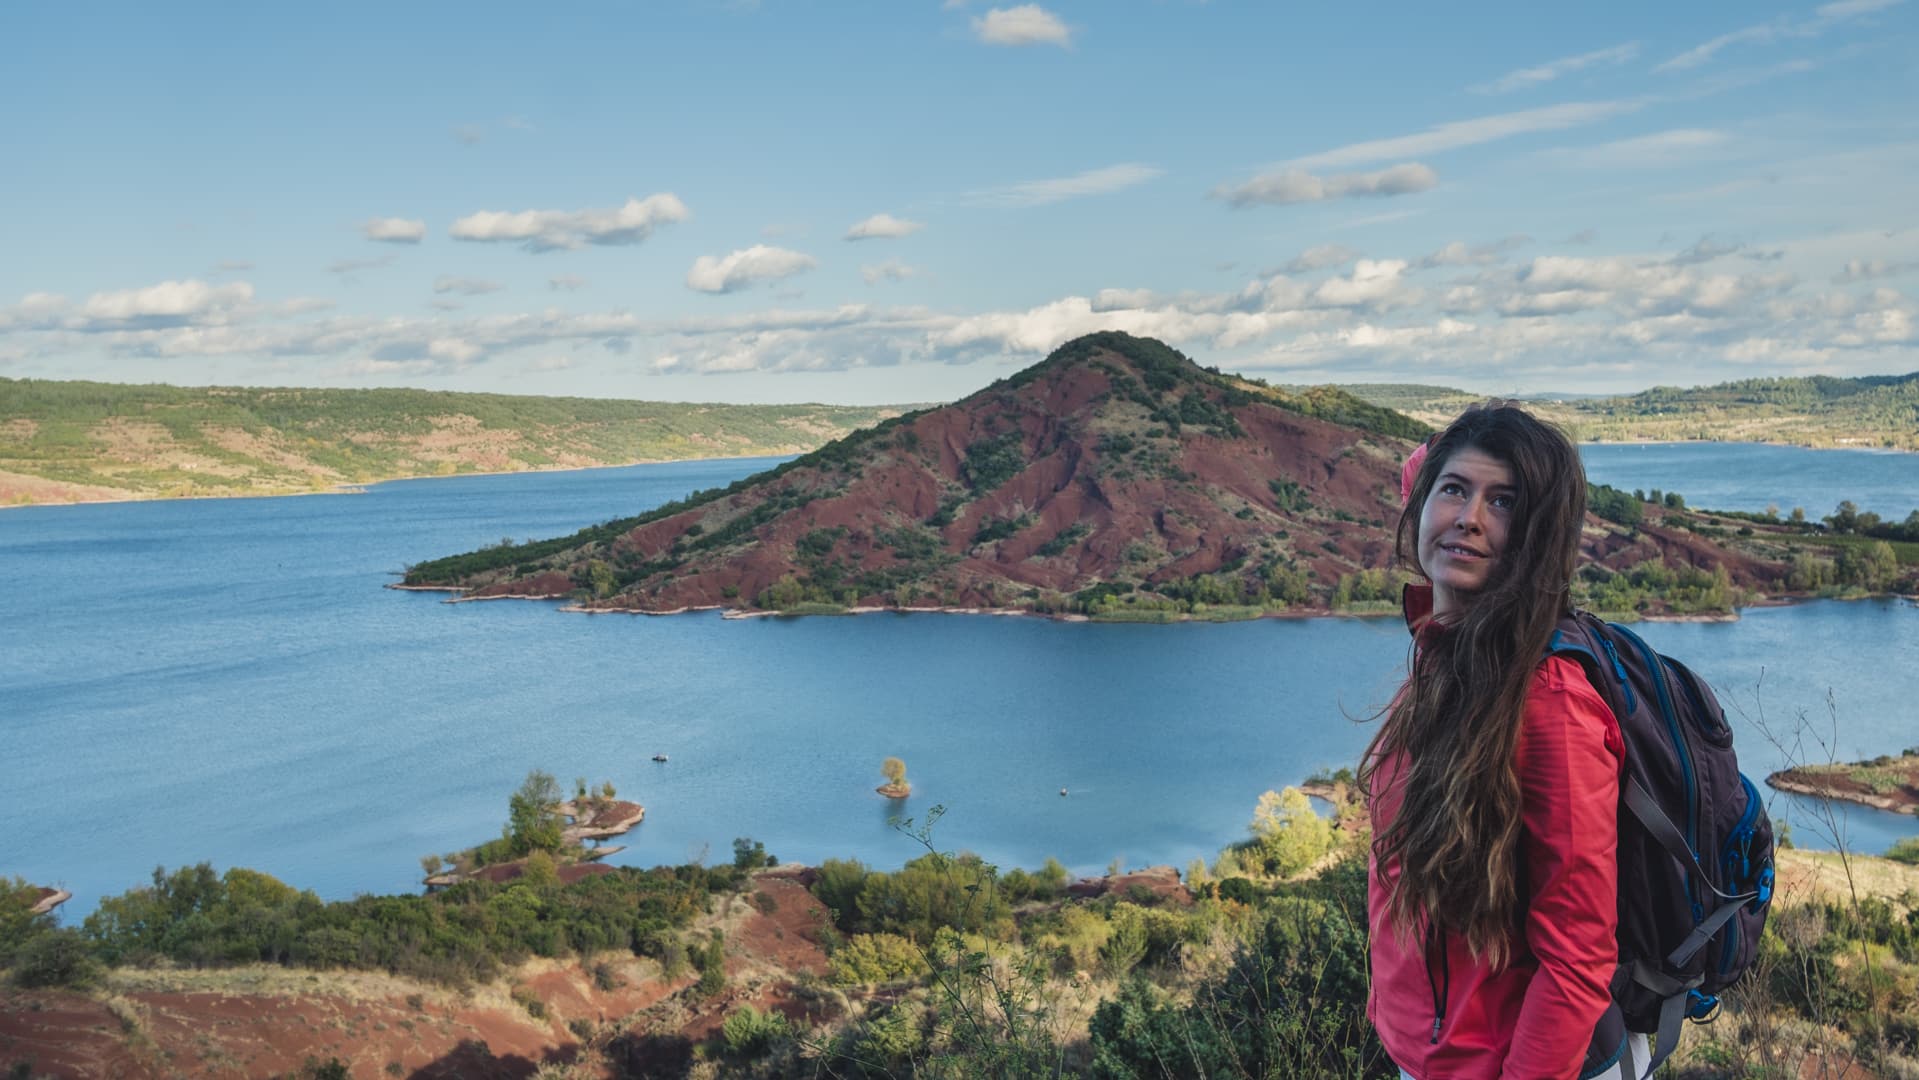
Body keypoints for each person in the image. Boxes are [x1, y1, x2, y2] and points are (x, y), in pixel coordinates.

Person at [1361, 403, 1646, 1079]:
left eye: (1504, 502)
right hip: (1435, 1055)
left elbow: (1576, 955)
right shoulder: (1447, 659)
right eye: (1453, 489)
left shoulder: (1547, 698)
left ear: (1534, 535)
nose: (1468, 517)